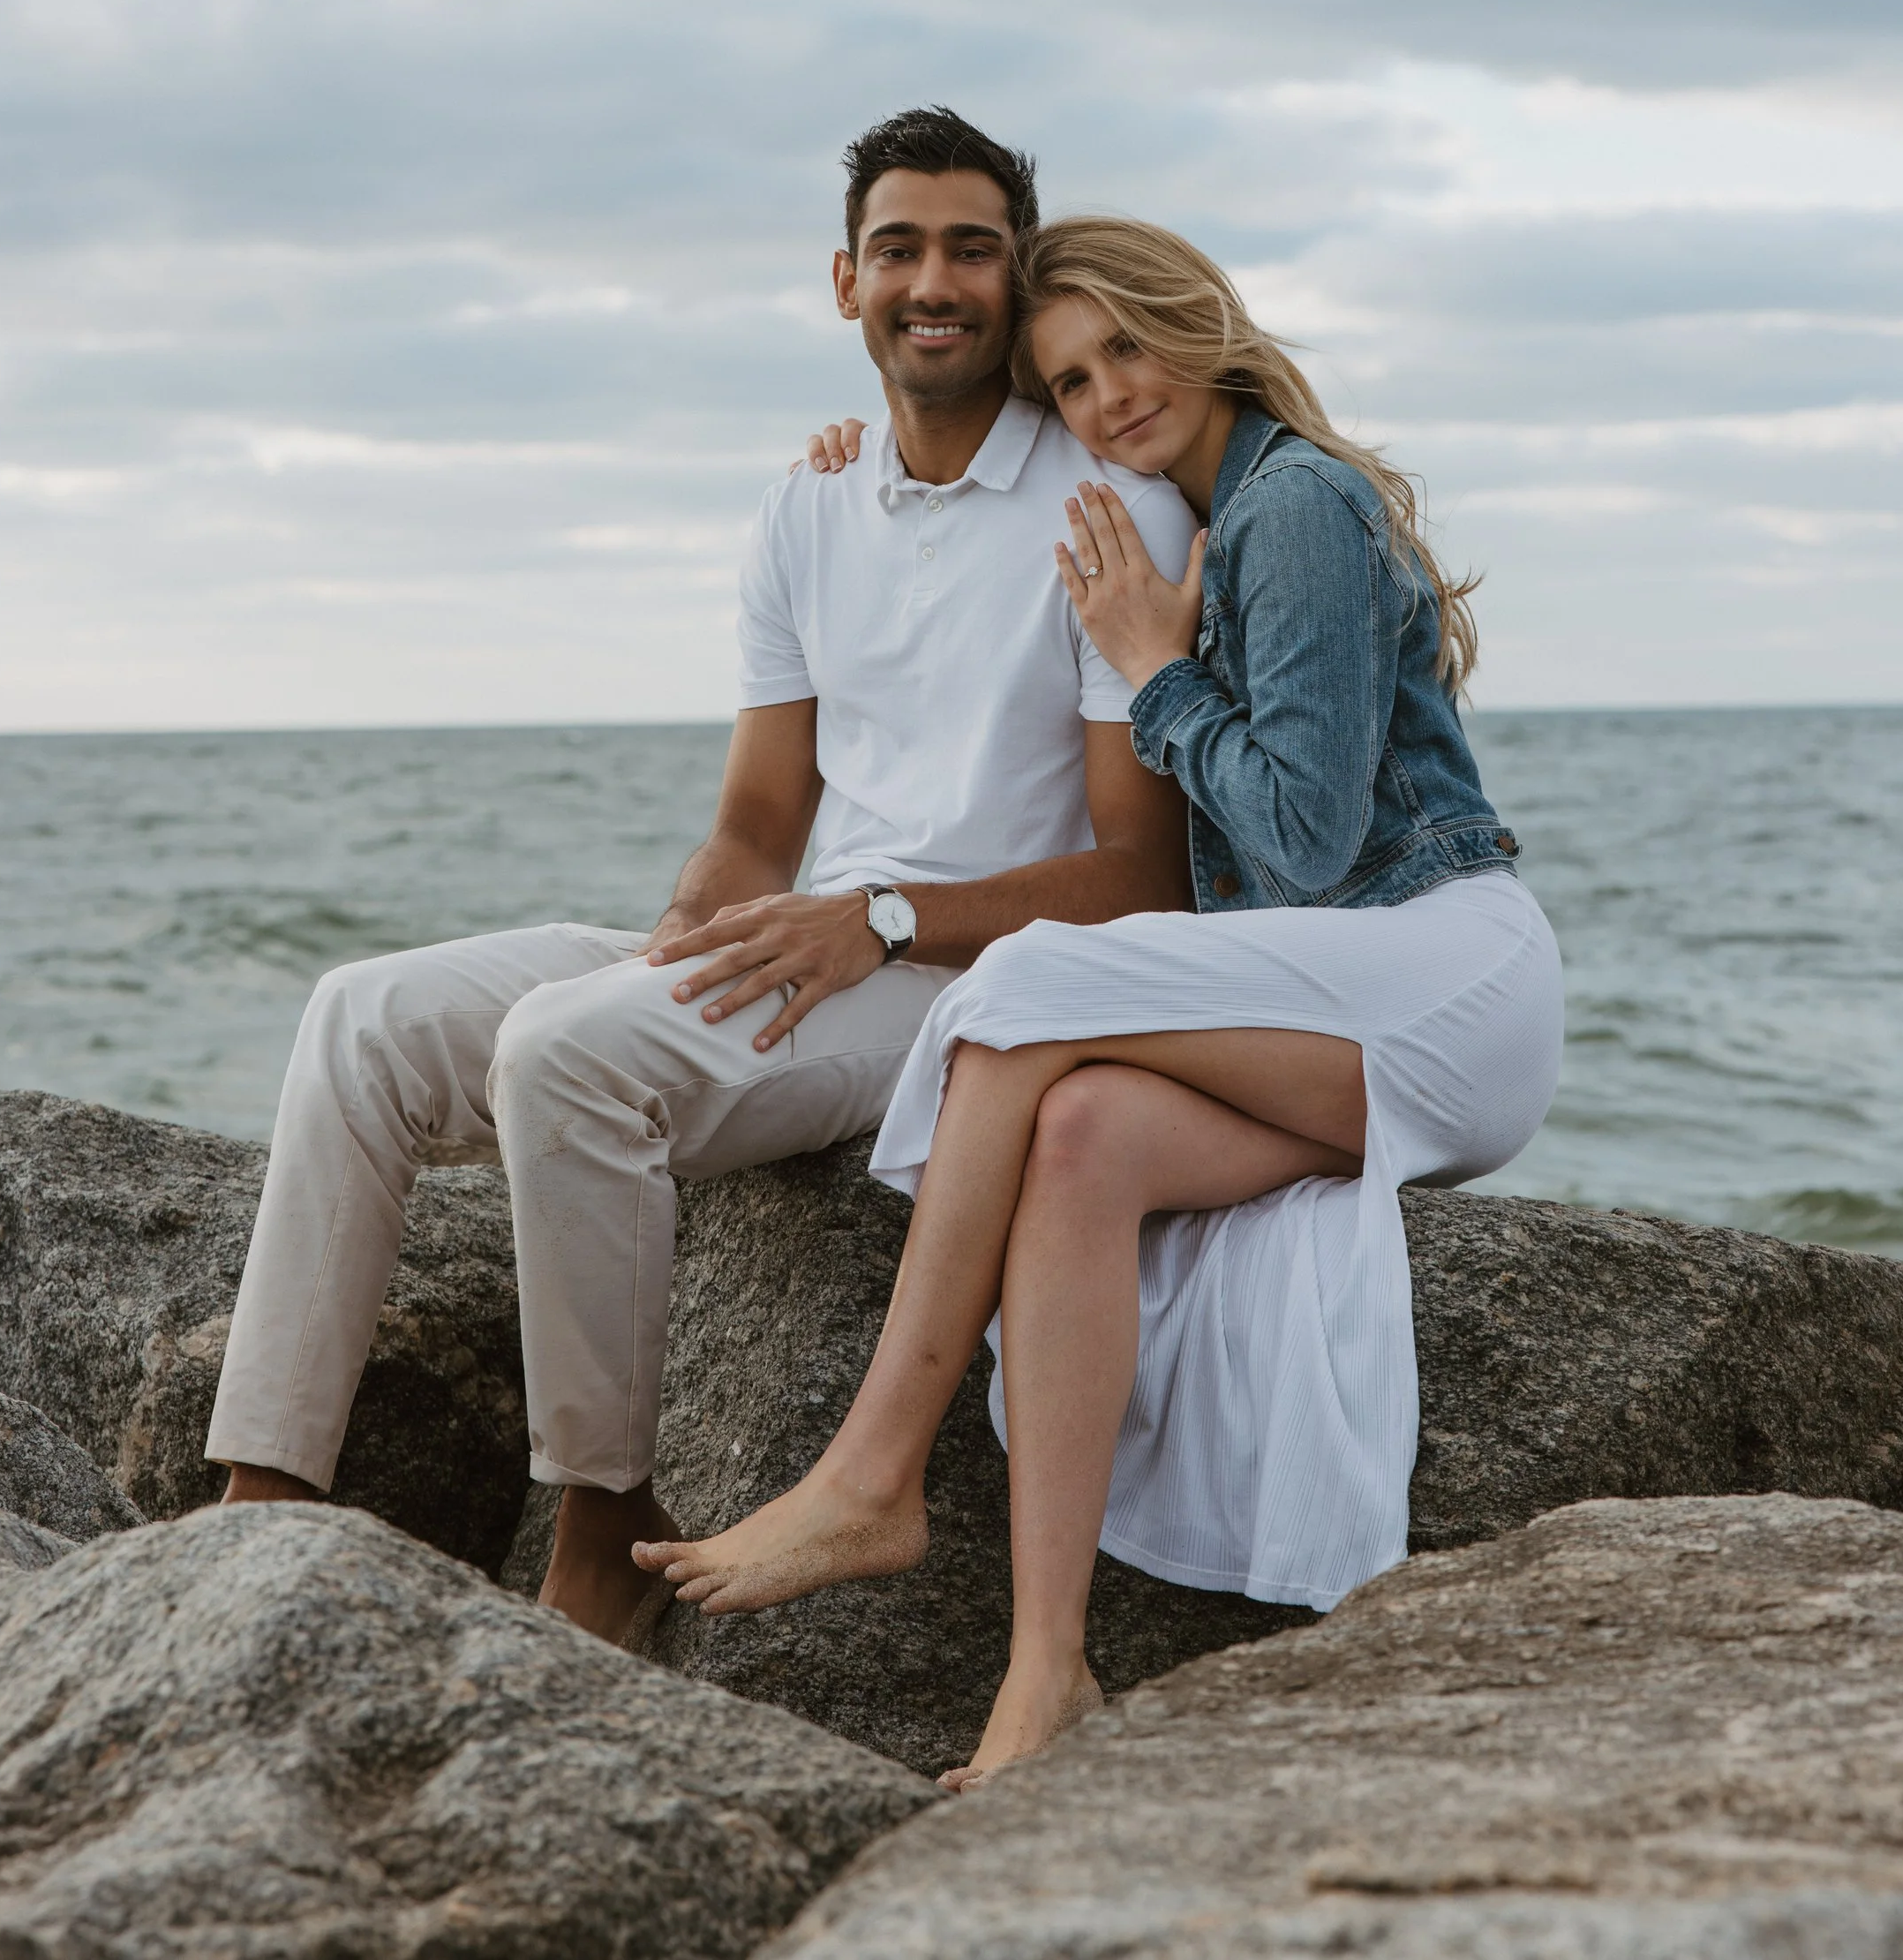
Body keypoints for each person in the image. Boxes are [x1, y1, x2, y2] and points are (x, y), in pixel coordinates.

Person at [205, 119, 1193, 1644]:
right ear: (846, 281)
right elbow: (757, 819)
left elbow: (1141, 875)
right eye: (899, 249)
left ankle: (604, 1521)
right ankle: (262, 1498)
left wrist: (877, 923)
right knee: (362, 1016)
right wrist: (683, 933)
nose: (933, 283)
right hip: (812, 941)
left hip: (967, 986)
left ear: (1018, 274)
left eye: (972, 249)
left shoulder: (1109, 509)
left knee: (567, 1054)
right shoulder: (807, 502)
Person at [643, 216, 1563, 1783]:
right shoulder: (1183, 516)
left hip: (1438, 970)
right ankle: (1046, 1669)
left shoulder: (1293, 506)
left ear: (1202, 325)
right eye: (1069, 380)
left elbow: (1308, 840)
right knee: (1082, 1136)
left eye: (1129, 348)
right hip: (1329, 1022)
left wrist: (1157, 668)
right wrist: (855, 460)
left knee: (1025, 988)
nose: (1109, 395)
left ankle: (872, 1471)